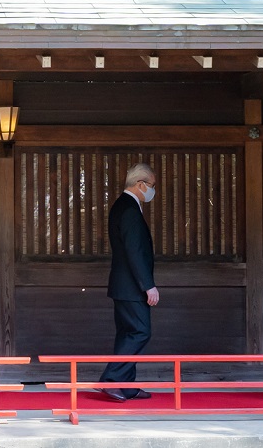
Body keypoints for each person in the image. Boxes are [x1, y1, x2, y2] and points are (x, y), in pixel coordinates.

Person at [97, 162, 158, 401]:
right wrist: (148, 285)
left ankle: (126, 385)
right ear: (140, 184)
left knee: (127, 334)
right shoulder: (130, 209)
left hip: (122, 285)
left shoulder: (121, 205)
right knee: (140, 332)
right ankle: (111, 380)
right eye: (151, 186)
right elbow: (135, 251)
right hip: (132, 286)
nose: (152, 191)